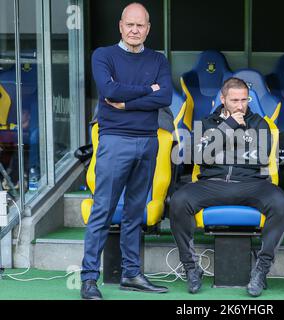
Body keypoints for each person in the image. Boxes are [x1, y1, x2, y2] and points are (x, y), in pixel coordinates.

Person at [80, 2, 173, 300]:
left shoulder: (158, 59)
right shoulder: (103, 55)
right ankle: (89, 279)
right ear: (121, 26)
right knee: (103, 210)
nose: (135, 30)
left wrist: (129, 101)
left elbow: (167, 96)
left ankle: (131, 273)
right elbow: (109, 91)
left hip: (148, 142)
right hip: (114, 140)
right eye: (130, 25)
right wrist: (150, 90)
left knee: (136, 211)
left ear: (148, 28)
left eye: (141, 25)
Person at [169, 77, 284, 297]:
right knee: (179, 201)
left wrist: (223, 140)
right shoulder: (206, 123)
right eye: (234, 100)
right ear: (222, 99)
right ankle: (190, 267)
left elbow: (260, 158)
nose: (240, 105)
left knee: (280, 202)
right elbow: (198, 155)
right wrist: (229, 126)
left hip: (251, 184)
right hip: (212, 183)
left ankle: (261, 270)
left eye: (244, 99)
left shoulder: (259, 123)